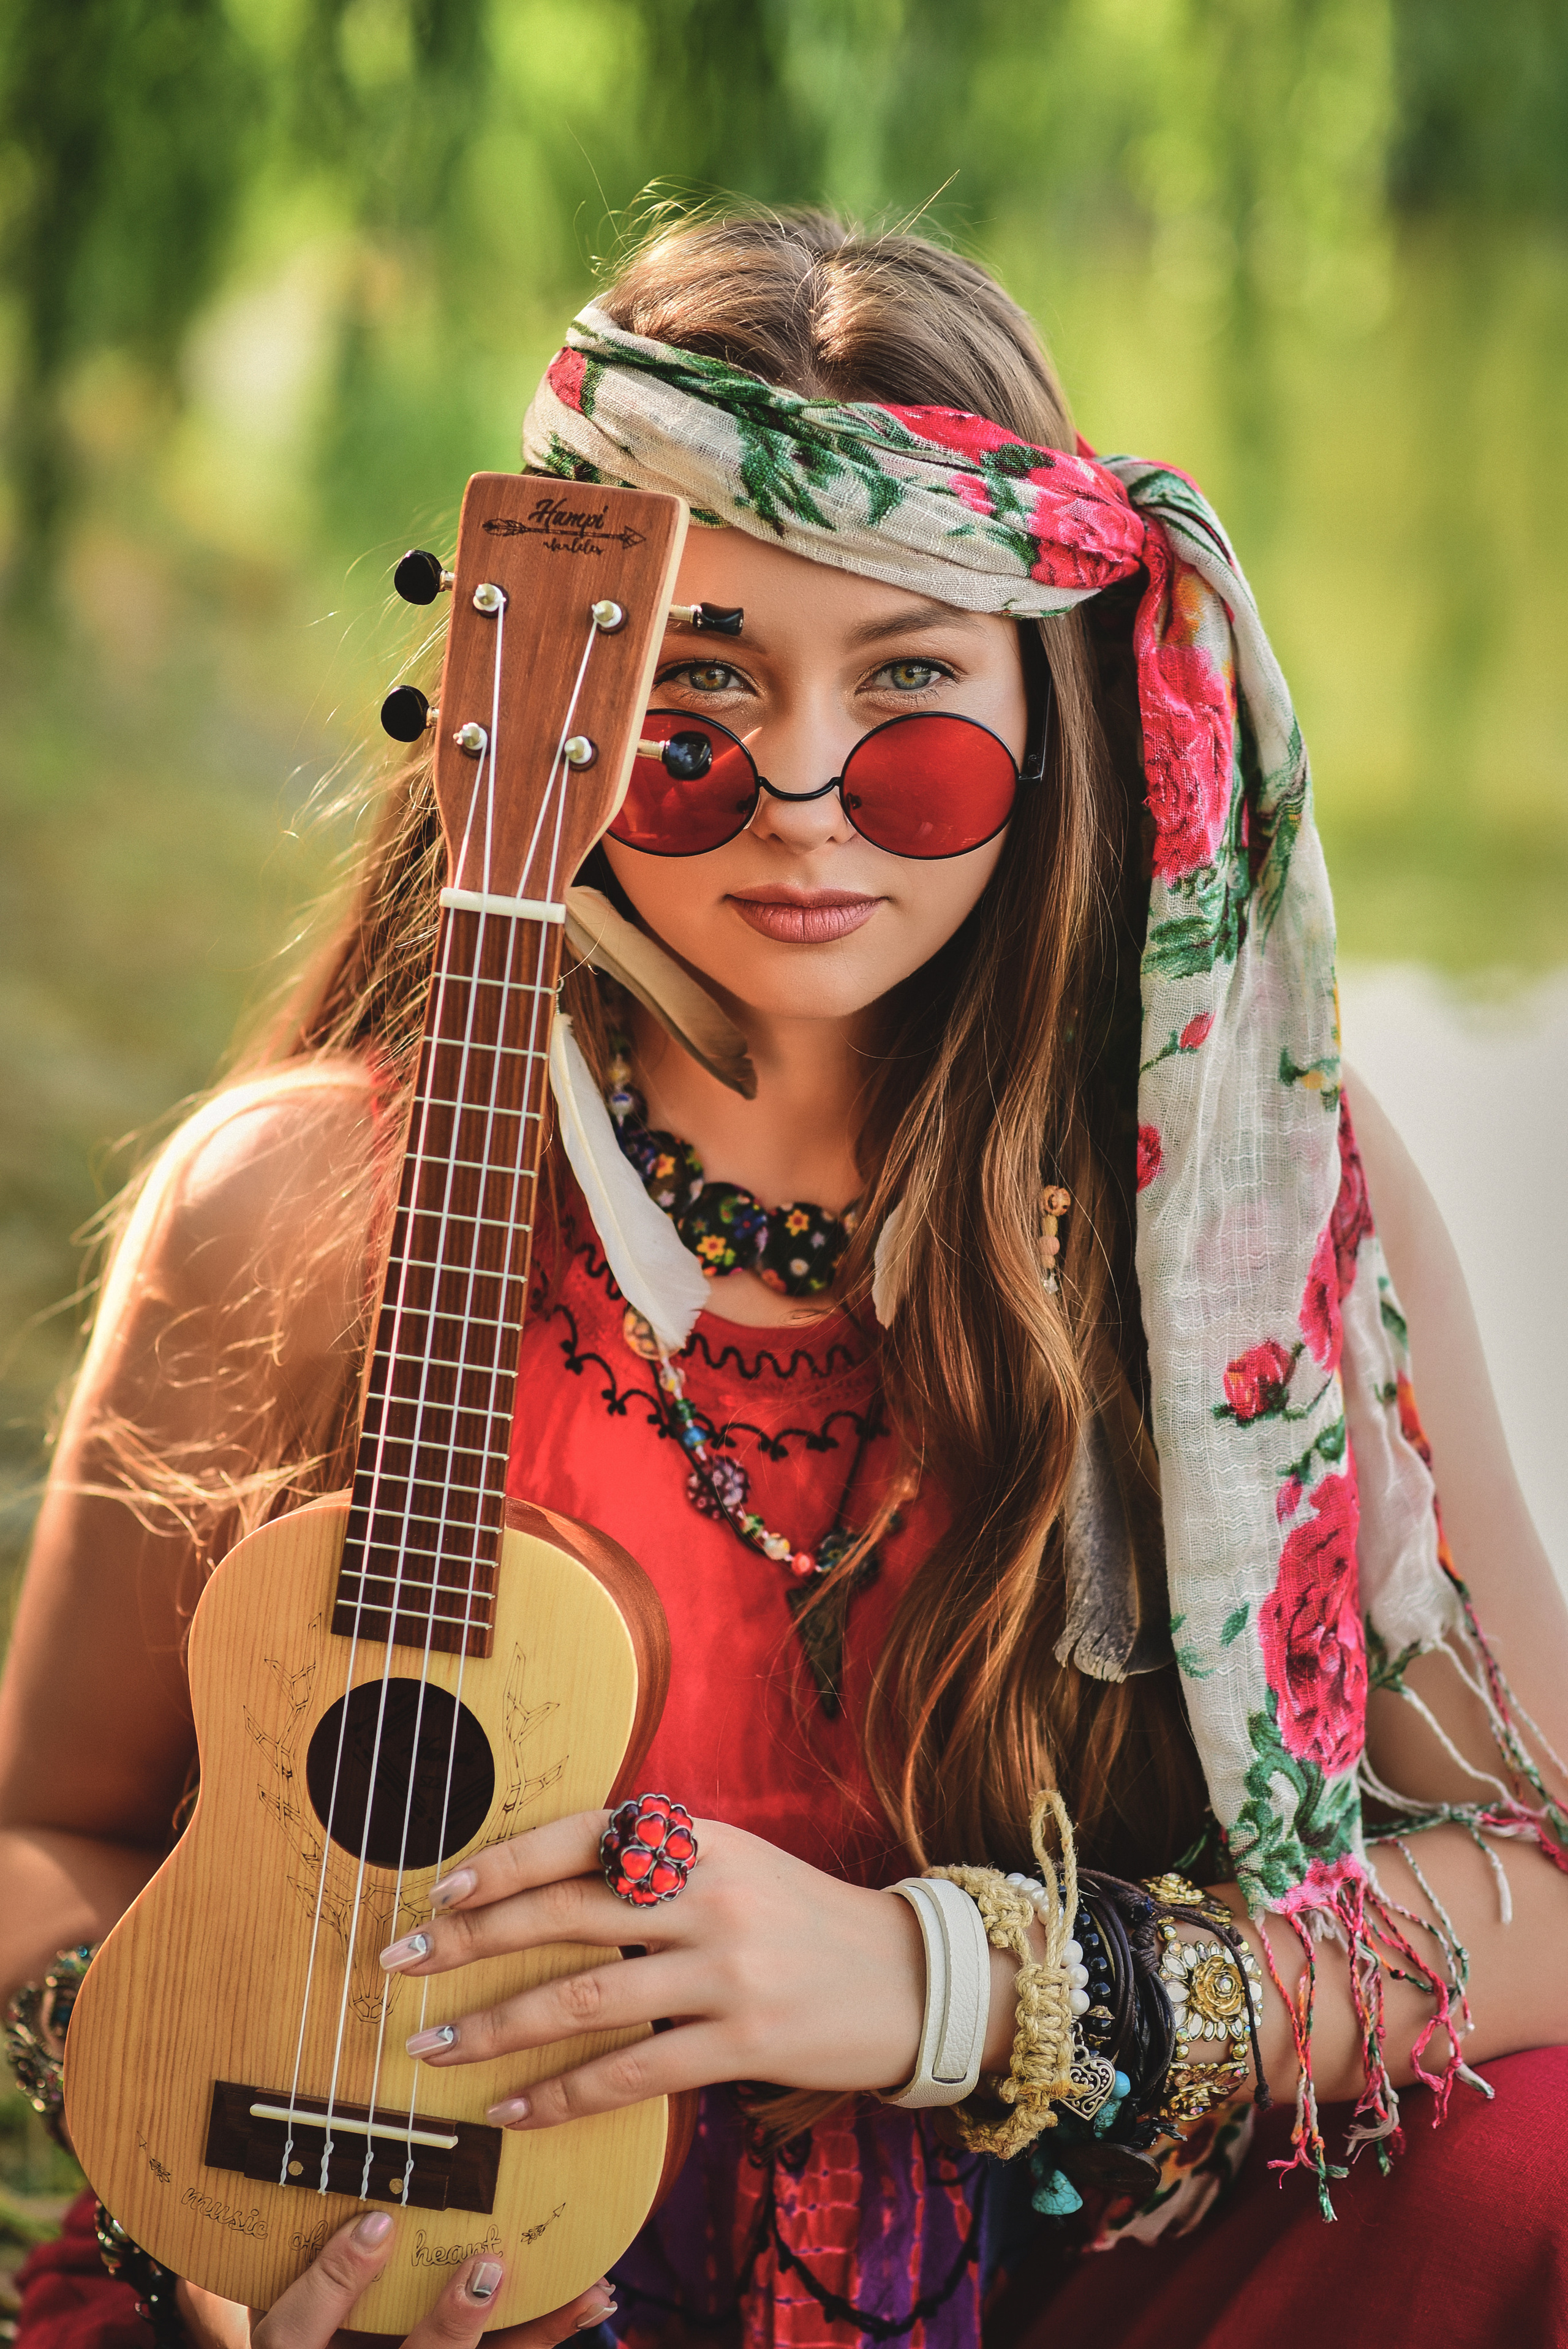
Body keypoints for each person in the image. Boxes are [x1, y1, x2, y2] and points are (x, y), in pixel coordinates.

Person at [4, 210, 1568, 2349]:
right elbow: (53, 1835)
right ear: (538, 708)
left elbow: (1535, 1876)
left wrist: (943, 1983)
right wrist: (227, 2193)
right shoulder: (300, 1204)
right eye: (698, 700)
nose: (808, 802)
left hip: (1052, 2269)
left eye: (912, 693)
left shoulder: (1255, 1204)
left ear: (1057, 705)